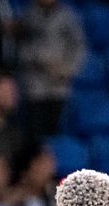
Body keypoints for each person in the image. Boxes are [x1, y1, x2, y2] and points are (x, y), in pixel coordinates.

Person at [15, 0, 86, 136]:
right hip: (33, 82)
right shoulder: (28, 14)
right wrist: (34, 58)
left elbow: (78, 45)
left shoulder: (67, 15)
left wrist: (67, 70)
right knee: (33, 128)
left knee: (55, 128)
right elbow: (21, 45)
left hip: (57, 82)